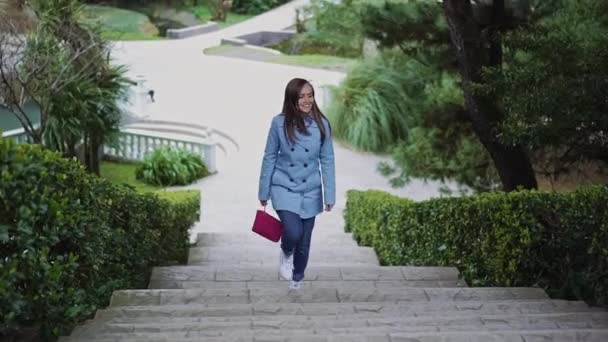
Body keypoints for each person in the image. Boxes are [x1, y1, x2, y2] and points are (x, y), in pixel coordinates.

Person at [258, 78, 336, 290]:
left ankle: (298, 277)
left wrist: (329, 195)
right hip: (283, 186)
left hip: (310, 189)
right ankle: (285, 252)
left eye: (310, 95)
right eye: (301, 96)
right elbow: (270, 156)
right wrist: (263, 190)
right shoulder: (278, 123)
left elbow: (327, 159)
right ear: (292, 98)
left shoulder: (322, 124)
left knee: (304, 241)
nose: (307, 100)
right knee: (293, 233)